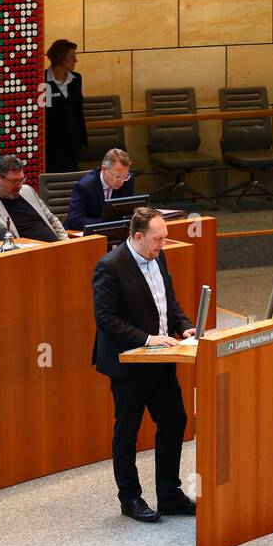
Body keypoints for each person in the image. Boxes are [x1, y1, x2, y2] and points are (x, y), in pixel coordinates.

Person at [91, 207, 196, 523]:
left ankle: (169, 494)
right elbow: (105, 319)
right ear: (137, 237)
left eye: (164, 238)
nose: (163, 244)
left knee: (174, 421)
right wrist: (149, 339)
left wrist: (185, 326)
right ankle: (130, 498)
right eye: (158, 238)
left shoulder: (157, 257)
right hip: (129, 364)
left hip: (162, 361)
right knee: (128, 432)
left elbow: (168, 301)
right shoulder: (110, 267)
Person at [0, 154, 68, 244]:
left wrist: (66, 243)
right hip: (26, 258)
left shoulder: (28, 191)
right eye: (14, 181)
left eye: (21, 180)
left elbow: (52, 220)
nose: (19, 186)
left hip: (55, 250)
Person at [66, 149, 137, 231]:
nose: (121, 181)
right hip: (82, 234)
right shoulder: (85, 186)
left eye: (125, 176)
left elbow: (128, 213)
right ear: (104, 169)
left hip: (115, 232)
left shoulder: (128, 180)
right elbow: (75, 220)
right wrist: (106, 224)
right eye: (117, 176)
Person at [44, 39, 87, 174]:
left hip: (73, 139)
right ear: (60, 58)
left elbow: (78, 109)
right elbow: (45, 113)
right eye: (72, 57)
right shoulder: (43, 81)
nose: (75, 60)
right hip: (52, 142)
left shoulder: (76, 78)